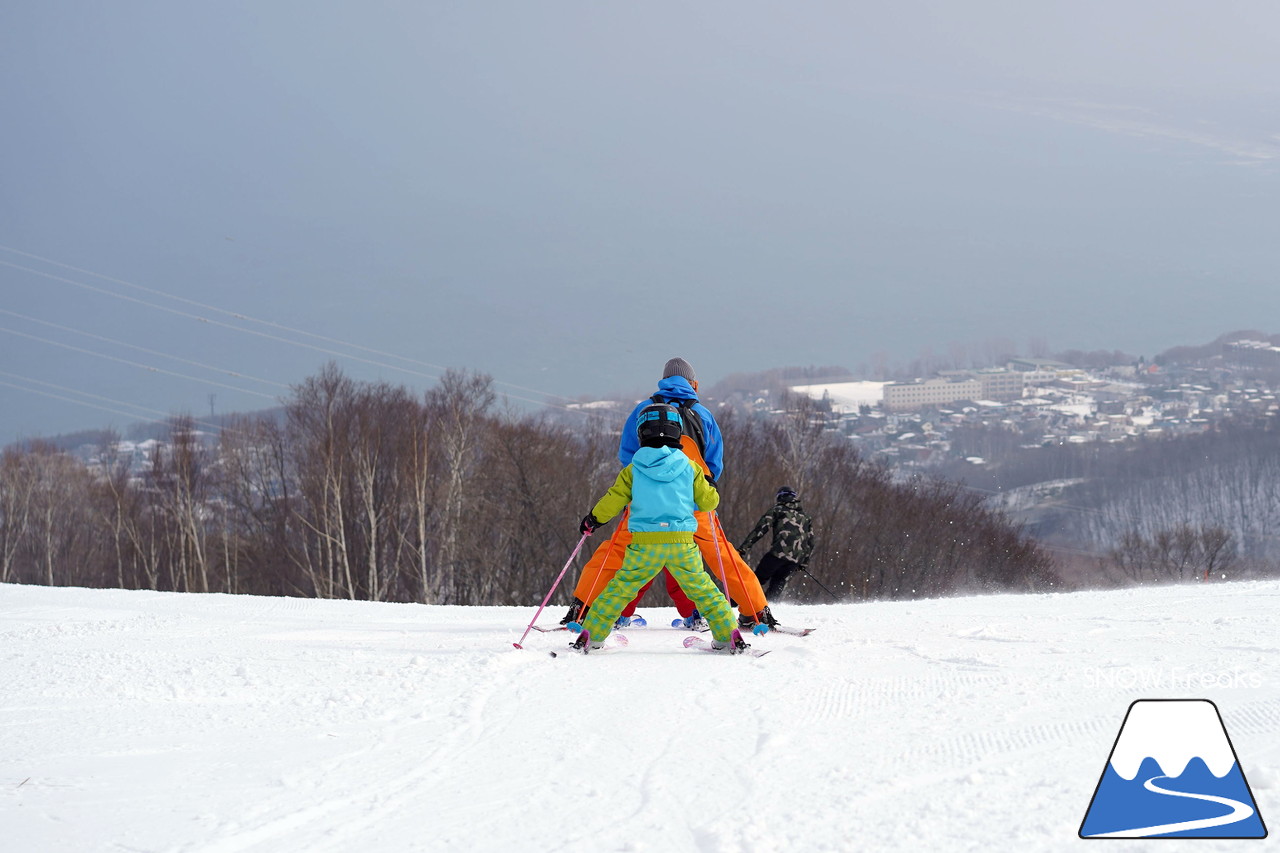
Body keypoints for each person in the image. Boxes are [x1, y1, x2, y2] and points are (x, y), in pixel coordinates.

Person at [559, 357, 779, 631]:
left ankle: (582, 609)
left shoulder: (644, 409)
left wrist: (643, 483)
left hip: (644, 499)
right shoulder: (703, 414)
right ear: (694, 384)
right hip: (694, 500)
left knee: (615, 550)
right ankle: (756, 611)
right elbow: (714, 463)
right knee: (721, 554)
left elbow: (627, 455)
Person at [569, 402, 744, 653]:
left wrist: (592, 520)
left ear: (642, 433)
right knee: (703, 590)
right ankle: (729, 635)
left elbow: (613, 500)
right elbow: (708, 502)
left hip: (644, 544)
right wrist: (710, 486)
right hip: (682, 544)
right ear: (677, 432)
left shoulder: (633, 470)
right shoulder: (690, 467)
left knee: (620, 589)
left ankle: (592, 636)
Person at [737, 486, 814, 599]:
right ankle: (771, 604)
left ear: (780, 497)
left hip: (779, 553)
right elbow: (810, 542)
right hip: (796, 559)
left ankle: (738, 602)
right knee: (779, 580)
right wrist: (803, 562)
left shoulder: (777, 510)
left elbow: (760, 529)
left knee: (758, 578)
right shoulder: (805, 517)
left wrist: (743, 548)